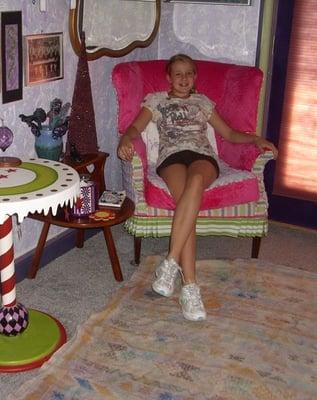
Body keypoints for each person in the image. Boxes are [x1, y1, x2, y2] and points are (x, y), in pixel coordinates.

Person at [117, 54, 278, 322]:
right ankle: (189, 289)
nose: (183, 79)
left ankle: (173, 267)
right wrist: (126, 139)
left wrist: (257, 138)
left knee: (195, 183)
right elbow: (135, 127)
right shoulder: (155, 100)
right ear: (169, 78)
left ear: (195, 77)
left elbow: (229, 134)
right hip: (171, 159)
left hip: (203, 158)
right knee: (186, 208)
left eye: (189, 73)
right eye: (178, 74)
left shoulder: (203, 102)